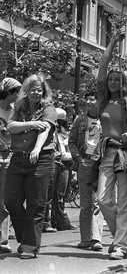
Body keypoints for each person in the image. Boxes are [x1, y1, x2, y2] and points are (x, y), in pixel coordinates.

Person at [94, 29, 127, 260]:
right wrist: (114, 40)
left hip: (126, 153)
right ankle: (119, 237)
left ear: (124, 83)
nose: (113, 82)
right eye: (111, 80)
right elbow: (103, 65)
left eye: (118, 80)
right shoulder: (103, 98)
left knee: (125, 200)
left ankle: (121, 246)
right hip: (107, 152)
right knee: (103, 200)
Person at [5, 74, 58, 259]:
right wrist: (33, 123)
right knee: (10, 201)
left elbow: (46, 129)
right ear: (26, 91)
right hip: (18, 159)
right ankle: (25, 238)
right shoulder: (19, 107)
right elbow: (11, 126)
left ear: (43, 92)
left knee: (36, 205)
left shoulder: (49, 108)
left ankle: (29, 246)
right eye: (33, 89)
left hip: (42, 159)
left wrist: (37, 148)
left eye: (39, 89)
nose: (36, 92)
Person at [68, 90, 104, 251]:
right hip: (85, 163)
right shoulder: (80, 120)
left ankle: (96, 238)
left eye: (93, 99)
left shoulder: (105, 119)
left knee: (98, 201)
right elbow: (72, 141)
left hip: (101, 164)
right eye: (87, 99)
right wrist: (79, 159)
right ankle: (85, 238)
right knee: (85, 203)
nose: (89, 102)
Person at [0, 77, 21, 254]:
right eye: (17, 91)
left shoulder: (16, 112)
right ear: (9, 92)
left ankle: (2, 241)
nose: (19, 95)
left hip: (9, 158)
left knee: (5, 200)